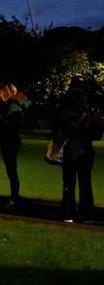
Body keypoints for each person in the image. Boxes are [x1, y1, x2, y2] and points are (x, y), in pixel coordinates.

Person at [52, 78, 100, 224]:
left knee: (68, 183)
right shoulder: (90, 109)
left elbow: (56, 129)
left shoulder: (64, 107)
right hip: (86, 150)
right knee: (86, 183)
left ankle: (68, 213)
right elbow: (97, 134)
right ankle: (87, 215)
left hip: (71, 149)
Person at [0, 82, 30, 208]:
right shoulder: (14, 106)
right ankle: (14, 196)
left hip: (9, 142)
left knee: (11, 171)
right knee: (11, 170)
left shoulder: (12, 107)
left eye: (0, 93)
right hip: (11, 142)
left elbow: (7, 126)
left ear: (6, 92)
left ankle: (14, 198)